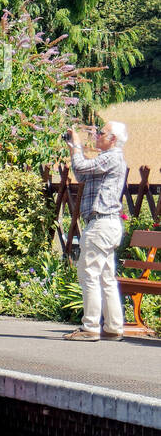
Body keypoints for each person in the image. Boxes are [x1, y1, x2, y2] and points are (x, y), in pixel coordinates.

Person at [63, 121, 129, 341]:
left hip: (100, 223)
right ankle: (113, 327)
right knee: (106, 277)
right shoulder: (107, 160)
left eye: (102, 133)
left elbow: (81, 167)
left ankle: (90, 327)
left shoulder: (111, 156)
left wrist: (78, 148)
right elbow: (82, 175)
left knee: (89, 274)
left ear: (113, 139)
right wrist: (75, 149)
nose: (97, 135)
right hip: (108, 224)